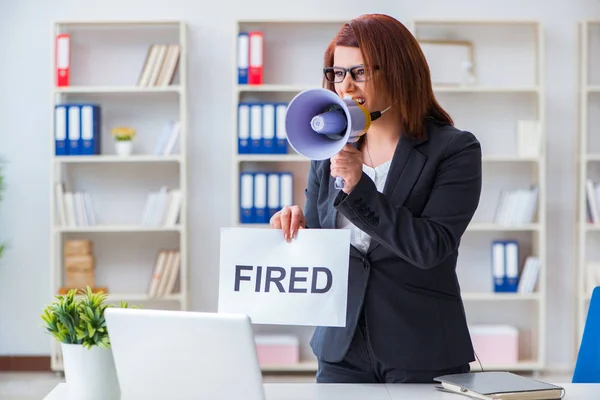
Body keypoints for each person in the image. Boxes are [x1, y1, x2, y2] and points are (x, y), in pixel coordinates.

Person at [269, 13, 482, 384]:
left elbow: (431, 247)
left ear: (399, 71)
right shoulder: (328, 148)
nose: (346, 86)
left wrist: (358, 187)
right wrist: (297, 224)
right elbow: (324, 247)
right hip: (341, 349)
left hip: (421, 347)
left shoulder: (454, 149)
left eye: (360, 72)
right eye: (338, 73)